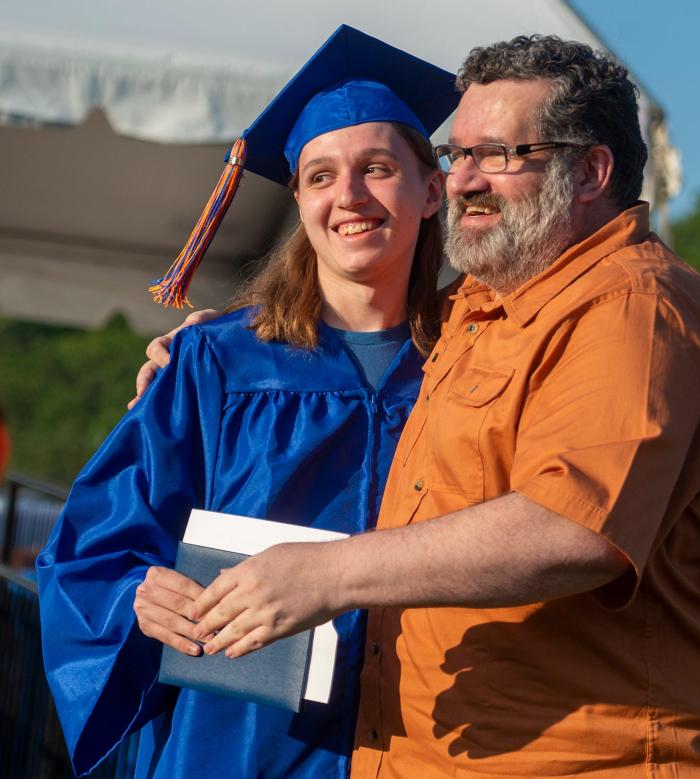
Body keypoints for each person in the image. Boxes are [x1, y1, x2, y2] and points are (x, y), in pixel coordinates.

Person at [144, 34, 700, 777]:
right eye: (456, 155)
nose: (463, 181)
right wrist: (225, 345)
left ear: (591, 170)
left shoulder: (632, 304)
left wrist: (323, 574)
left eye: (498, 154)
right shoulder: (481, 308)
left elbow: (569, 529)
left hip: (614, 757)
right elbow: (364, 325)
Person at [36, 26, 456, 779]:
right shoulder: (216, 362)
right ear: (297, 199)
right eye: (321, 176)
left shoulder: (480, 364)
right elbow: (90, 550)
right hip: (236, 747)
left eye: (379, 168)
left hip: (428, 741)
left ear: (433, 190)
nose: (350, 195)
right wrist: (139, 593)